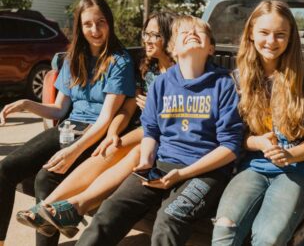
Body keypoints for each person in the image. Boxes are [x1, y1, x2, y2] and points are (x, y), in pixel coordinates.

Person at [70, 15, 243, 246]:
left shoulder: (223, 84)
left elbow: (230, 147)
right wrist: (145, 160)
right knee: (113, 207)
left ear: (211, 48)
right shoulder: (162, 84)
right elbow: (151, 131)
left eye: (199, 32)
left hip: (206, 172)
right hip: (161, 164)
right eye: (184, 32)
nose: (191, 33)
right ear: (173, 48)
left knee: (170, 218)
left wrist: (183, 174)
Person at [15, 11, 177, 239]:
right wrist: (112, 132)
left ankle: (70, 206)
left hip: (161, 136)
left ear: (170, 38)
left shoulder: (181, 74)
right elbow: (128, 109)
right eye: (146, 33)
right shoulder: (147, 68)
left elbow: (175, 121)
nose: (148, 40)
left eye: (155, 35)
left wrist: (151, 112)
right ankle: (47, 207)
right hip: (141, 131)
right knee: (109, 148)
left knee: (125, 150)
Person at [0, 0, 135, 246]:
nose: (95, 30)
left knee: (45, 179)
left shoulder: (119, 61)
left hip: (95, 135)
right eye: (88, 24)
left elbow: (105, 119)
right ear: (79, 27)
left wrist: (74, 151)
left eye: (100, 22)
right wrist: (27, 104)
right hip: (68, 127)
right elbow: (59, 109)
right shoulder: (74, 57)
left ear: (110, 23)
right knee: (6, 168)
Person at [211, 0, 304, 246]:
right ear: (251, 34)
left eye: (280, 35)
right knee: (224, 230)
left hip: (296, 171)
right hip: (252, 168)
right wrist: (258, 142)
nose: (271, 41)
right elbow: (232, 137)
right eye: (264, 33)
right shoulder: (236, 80)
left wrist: (289, 154)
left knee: (268, 238)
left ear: (290, 39)